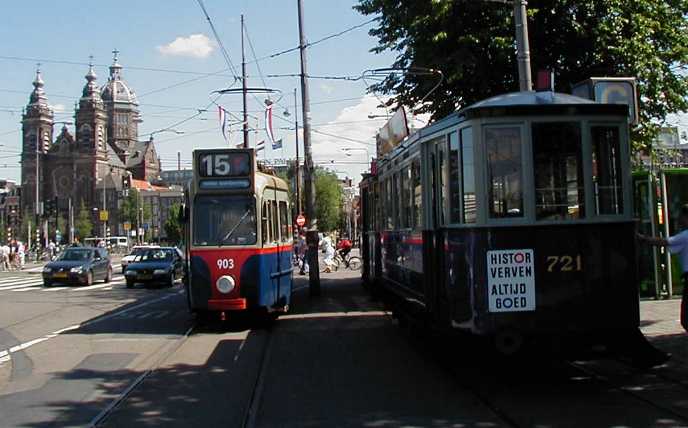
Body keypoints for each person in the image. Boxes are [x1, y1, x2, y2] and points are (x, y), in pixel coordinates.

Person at [638, 204, 688, 332]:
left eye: (682, 217)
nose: (679, 220)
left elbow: (665, 242)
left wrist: (642, 238)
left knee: (686, 318)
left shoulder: (685, 235)